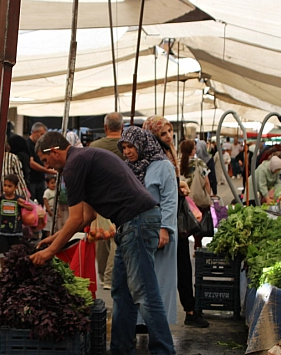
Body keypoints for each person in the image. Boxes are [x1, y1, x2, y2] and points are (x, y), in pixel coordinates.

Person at [31, 132, 176, 355]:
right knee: (122, 290)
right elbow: (87, 215)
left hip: (136, 222)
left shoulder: (73, 165)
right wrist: (56, 237)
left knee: (144, 292)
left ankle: (164, 351)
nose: (46, 165)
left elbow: (77, 218)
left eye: (45, 159)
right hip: (132, 223)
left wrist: (51, 251)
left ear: (55, 152)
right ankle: (120, 349)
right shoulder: (82, 159)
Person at [144, 116, 207, 328]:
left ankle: (189, 309)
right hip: (159, 220)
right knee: (159, 272)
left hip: (173, 219)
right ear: (152, 135)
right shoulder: (151, 158)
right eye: (163, 133)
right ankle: (153, 318)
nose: (169, 136)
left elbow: (172, 181)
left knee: (182, 265)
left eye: (170, 131)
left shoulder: (170, 154)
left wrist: (180, 186)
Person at [119, 127, 178, 329]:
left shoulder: (163, 166)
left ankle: (157, 323)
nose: (127, 152)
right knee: (137, 279)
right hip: (135, 229)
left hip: (159, 229)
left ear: (142, 144)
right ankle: (139, 322)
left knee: (158, 279)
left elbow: (170, 200)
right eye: (124, 147)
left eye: (131, 146)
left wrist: (165, 229)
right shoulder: (127, 167)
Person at [88, 112, 124, 290]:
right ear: (122, 127)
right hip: (121, 198)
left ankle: (103, 275)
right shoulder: (126, 147)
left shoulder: (94, 146)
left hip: (99, 199)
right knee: (115, 238)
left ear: (105, 127)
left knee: (101, 238)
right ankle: (110, 277)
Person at [0, 174, 33, 256]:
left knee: (15, 252)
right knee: (3, 252)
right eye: (5, 185)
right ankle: (3, 267)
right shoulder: (1, 198)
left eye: (9, 186)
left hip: (16, 231)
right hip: (2, 230)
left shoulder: (18, 198)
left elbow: (31, 208)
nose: (6, 188)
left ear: (15, 187)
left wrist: (23, 205)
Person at [26, 122, 57, 204]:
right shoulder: (28, 144)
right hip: (31, 179)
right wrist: (47, 171)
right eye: (41, 134)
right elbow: (31, 163)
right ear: (34, 132)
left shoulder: (40, 145)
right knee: (32, 203)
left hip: (40, 179)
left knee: (42, 202)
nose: (43, 137)